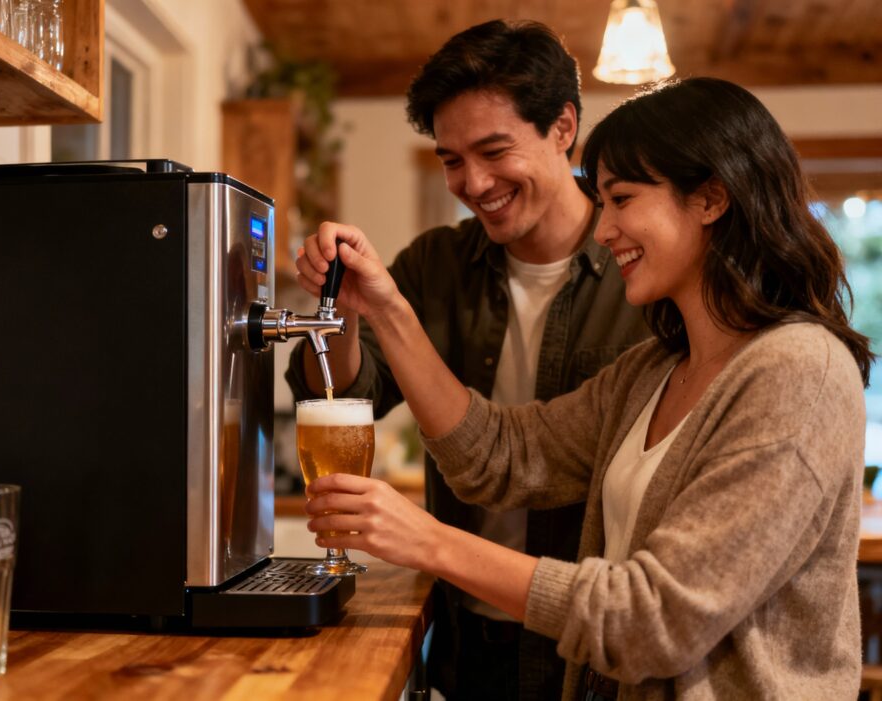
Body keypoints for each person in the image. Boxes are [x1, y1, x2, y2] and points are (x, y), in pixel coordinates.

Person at [297, 77, 873, 700]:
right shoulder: (653, 370)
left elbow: (650, 621)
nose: (604, 229)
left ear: (710, 199)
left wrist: (429, 541)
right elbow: (500, 456)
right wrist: (386, 309)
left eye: (622, 199)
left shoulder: (799, 371)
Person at [287, 20, 648, 700]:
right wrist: (340, 304)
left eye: (493, 150)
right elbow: (344, 393)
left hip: (594, 645)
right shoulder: (435, 265)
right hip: (463, 630)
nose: (473, 181)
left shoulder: (641, 276)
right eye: (451, 160)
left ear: (563, 126)